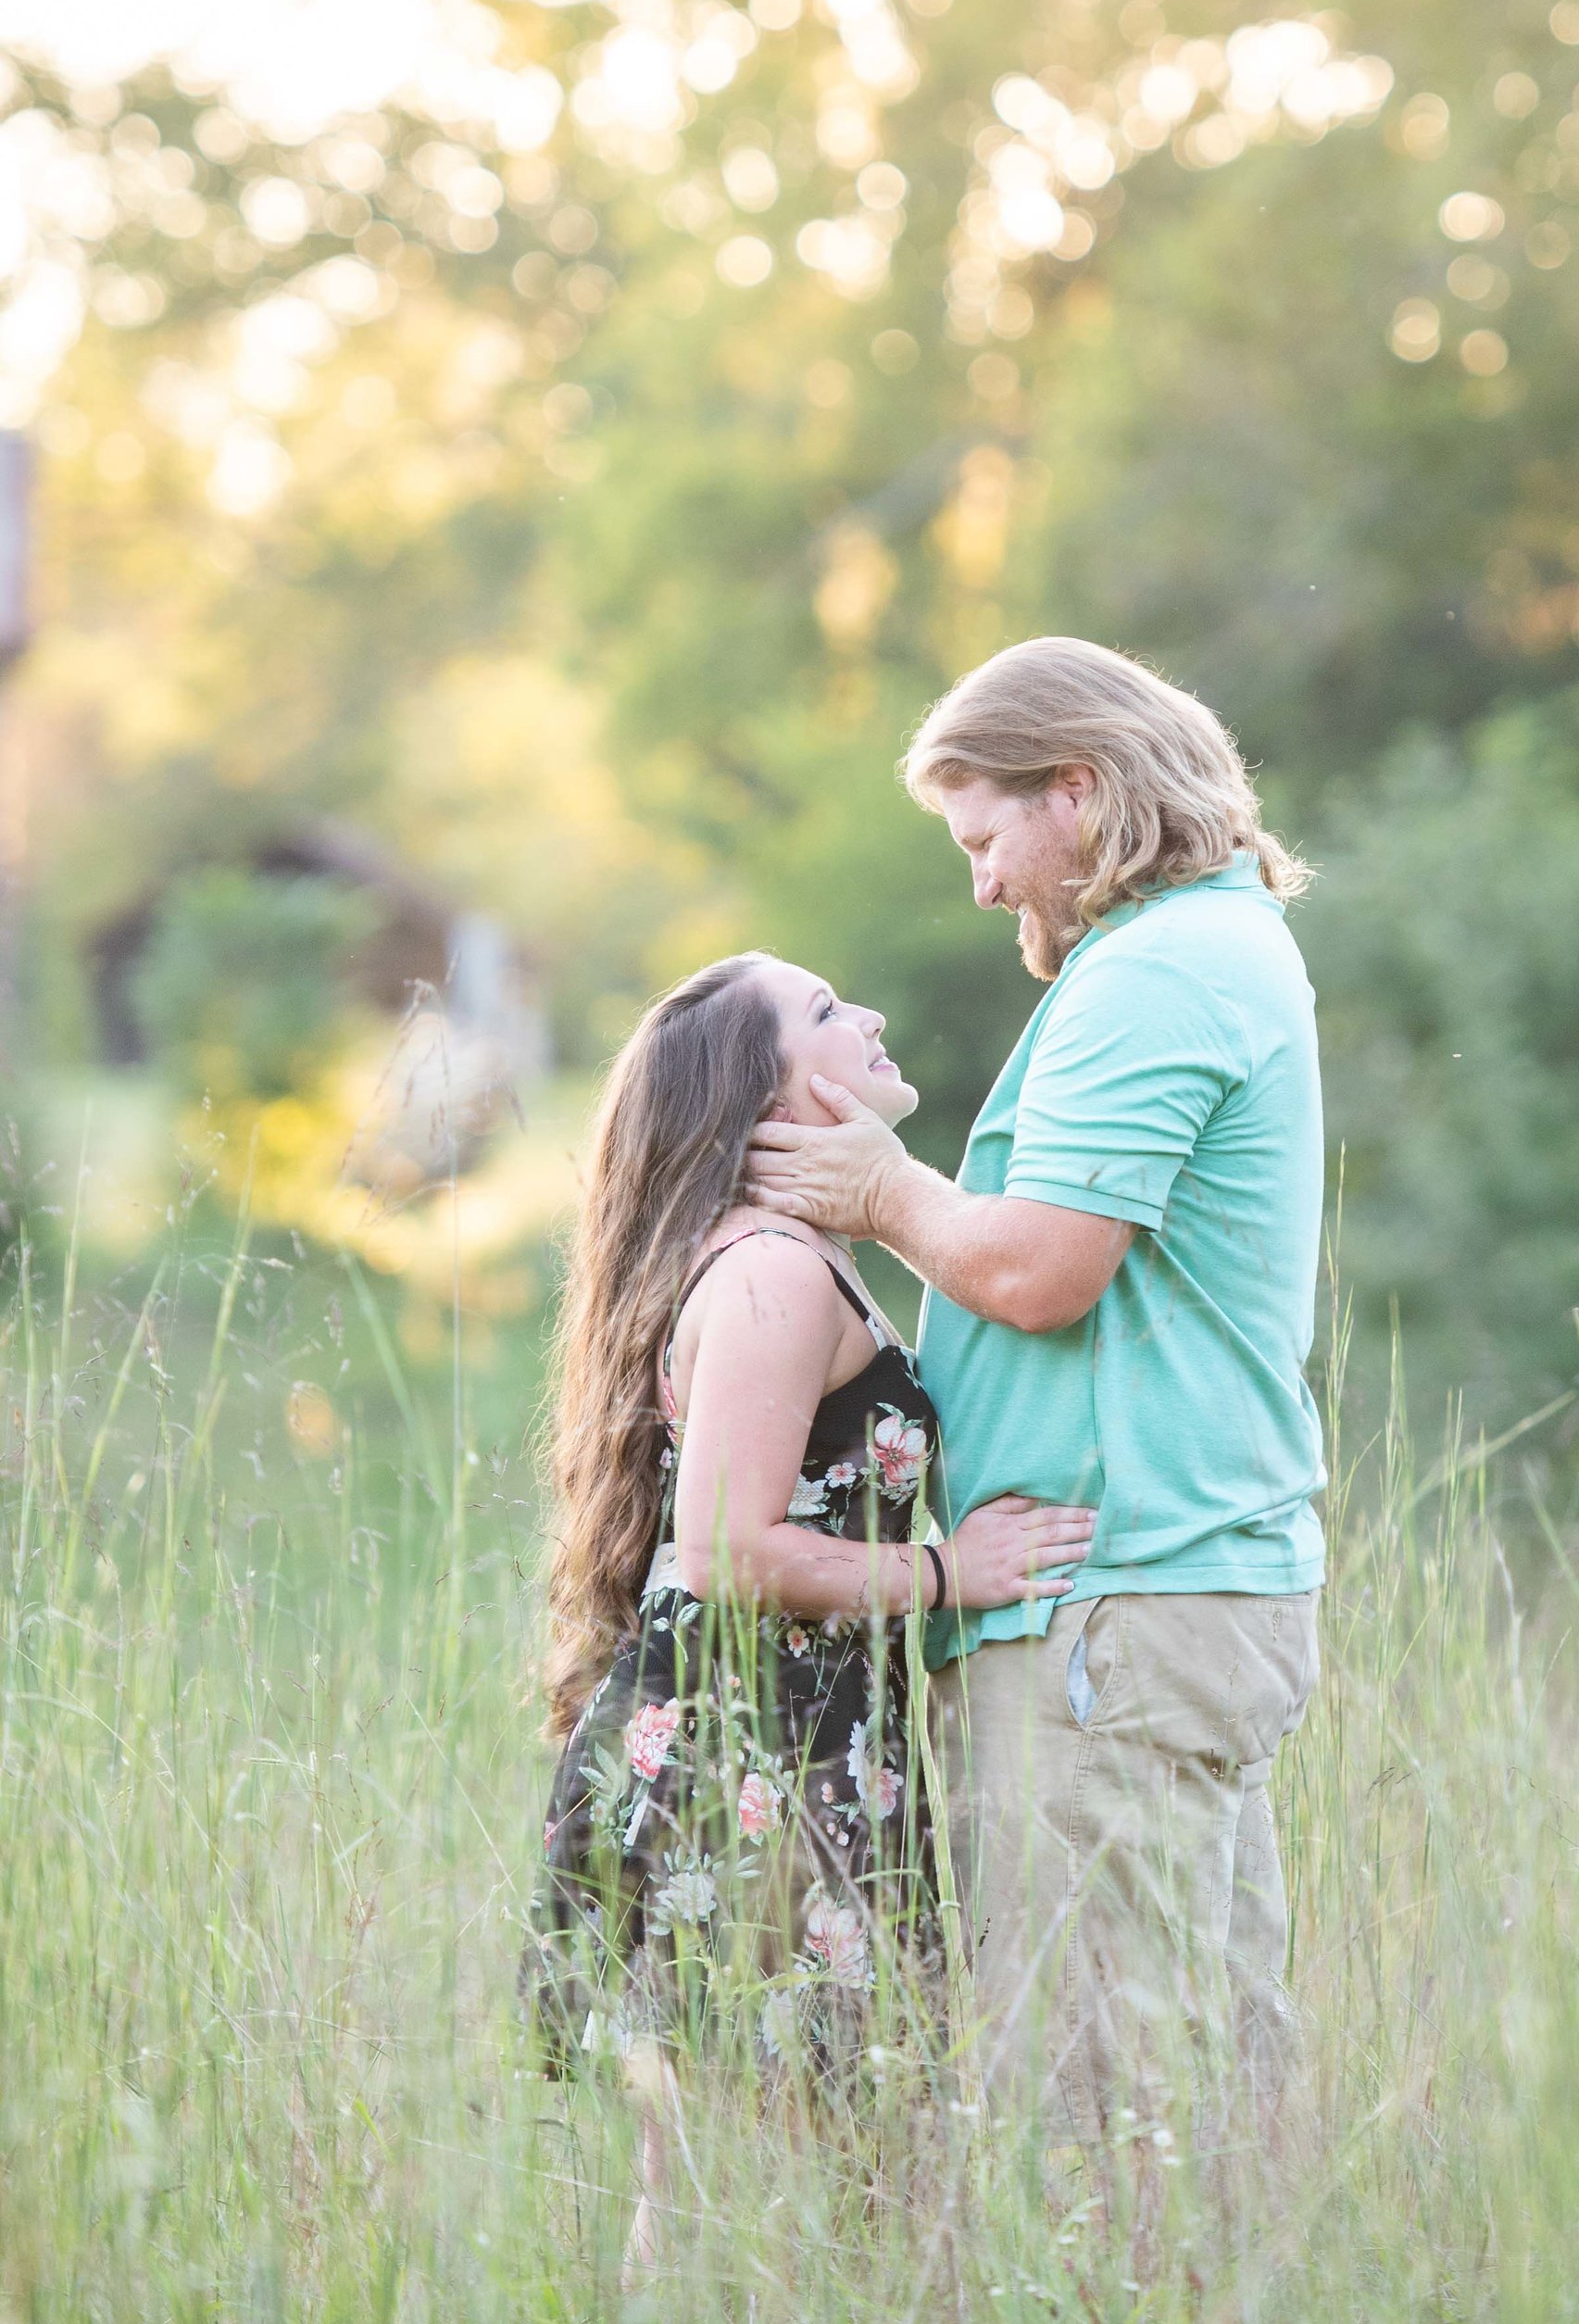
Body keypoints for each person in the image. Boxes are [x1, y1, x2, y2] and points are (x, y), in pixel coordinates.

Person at [747, 635, 1328, 2154]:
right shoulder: (1204, 945)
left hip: (1110, 1598)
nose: (985, 885)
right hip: (1149, 1589)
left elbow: (1045, 1268)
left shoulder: (1157, 969)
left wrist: (881, 1188)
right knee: (1201, 2066)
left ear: (1078, 789)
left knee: (1090, 2098)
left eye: (986, 836)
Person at [525, 948, 1095, 2265]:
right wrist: (960, 1571)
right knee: (798, 2173)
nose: (876, 1016)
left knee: (774, 2172)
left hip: (782, 1752)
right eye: (830, 1014)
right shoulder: (775, 1275)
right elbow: (727, 1547)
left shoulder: (779, 1260)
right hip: (760, 1772)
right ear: (763, 1104)